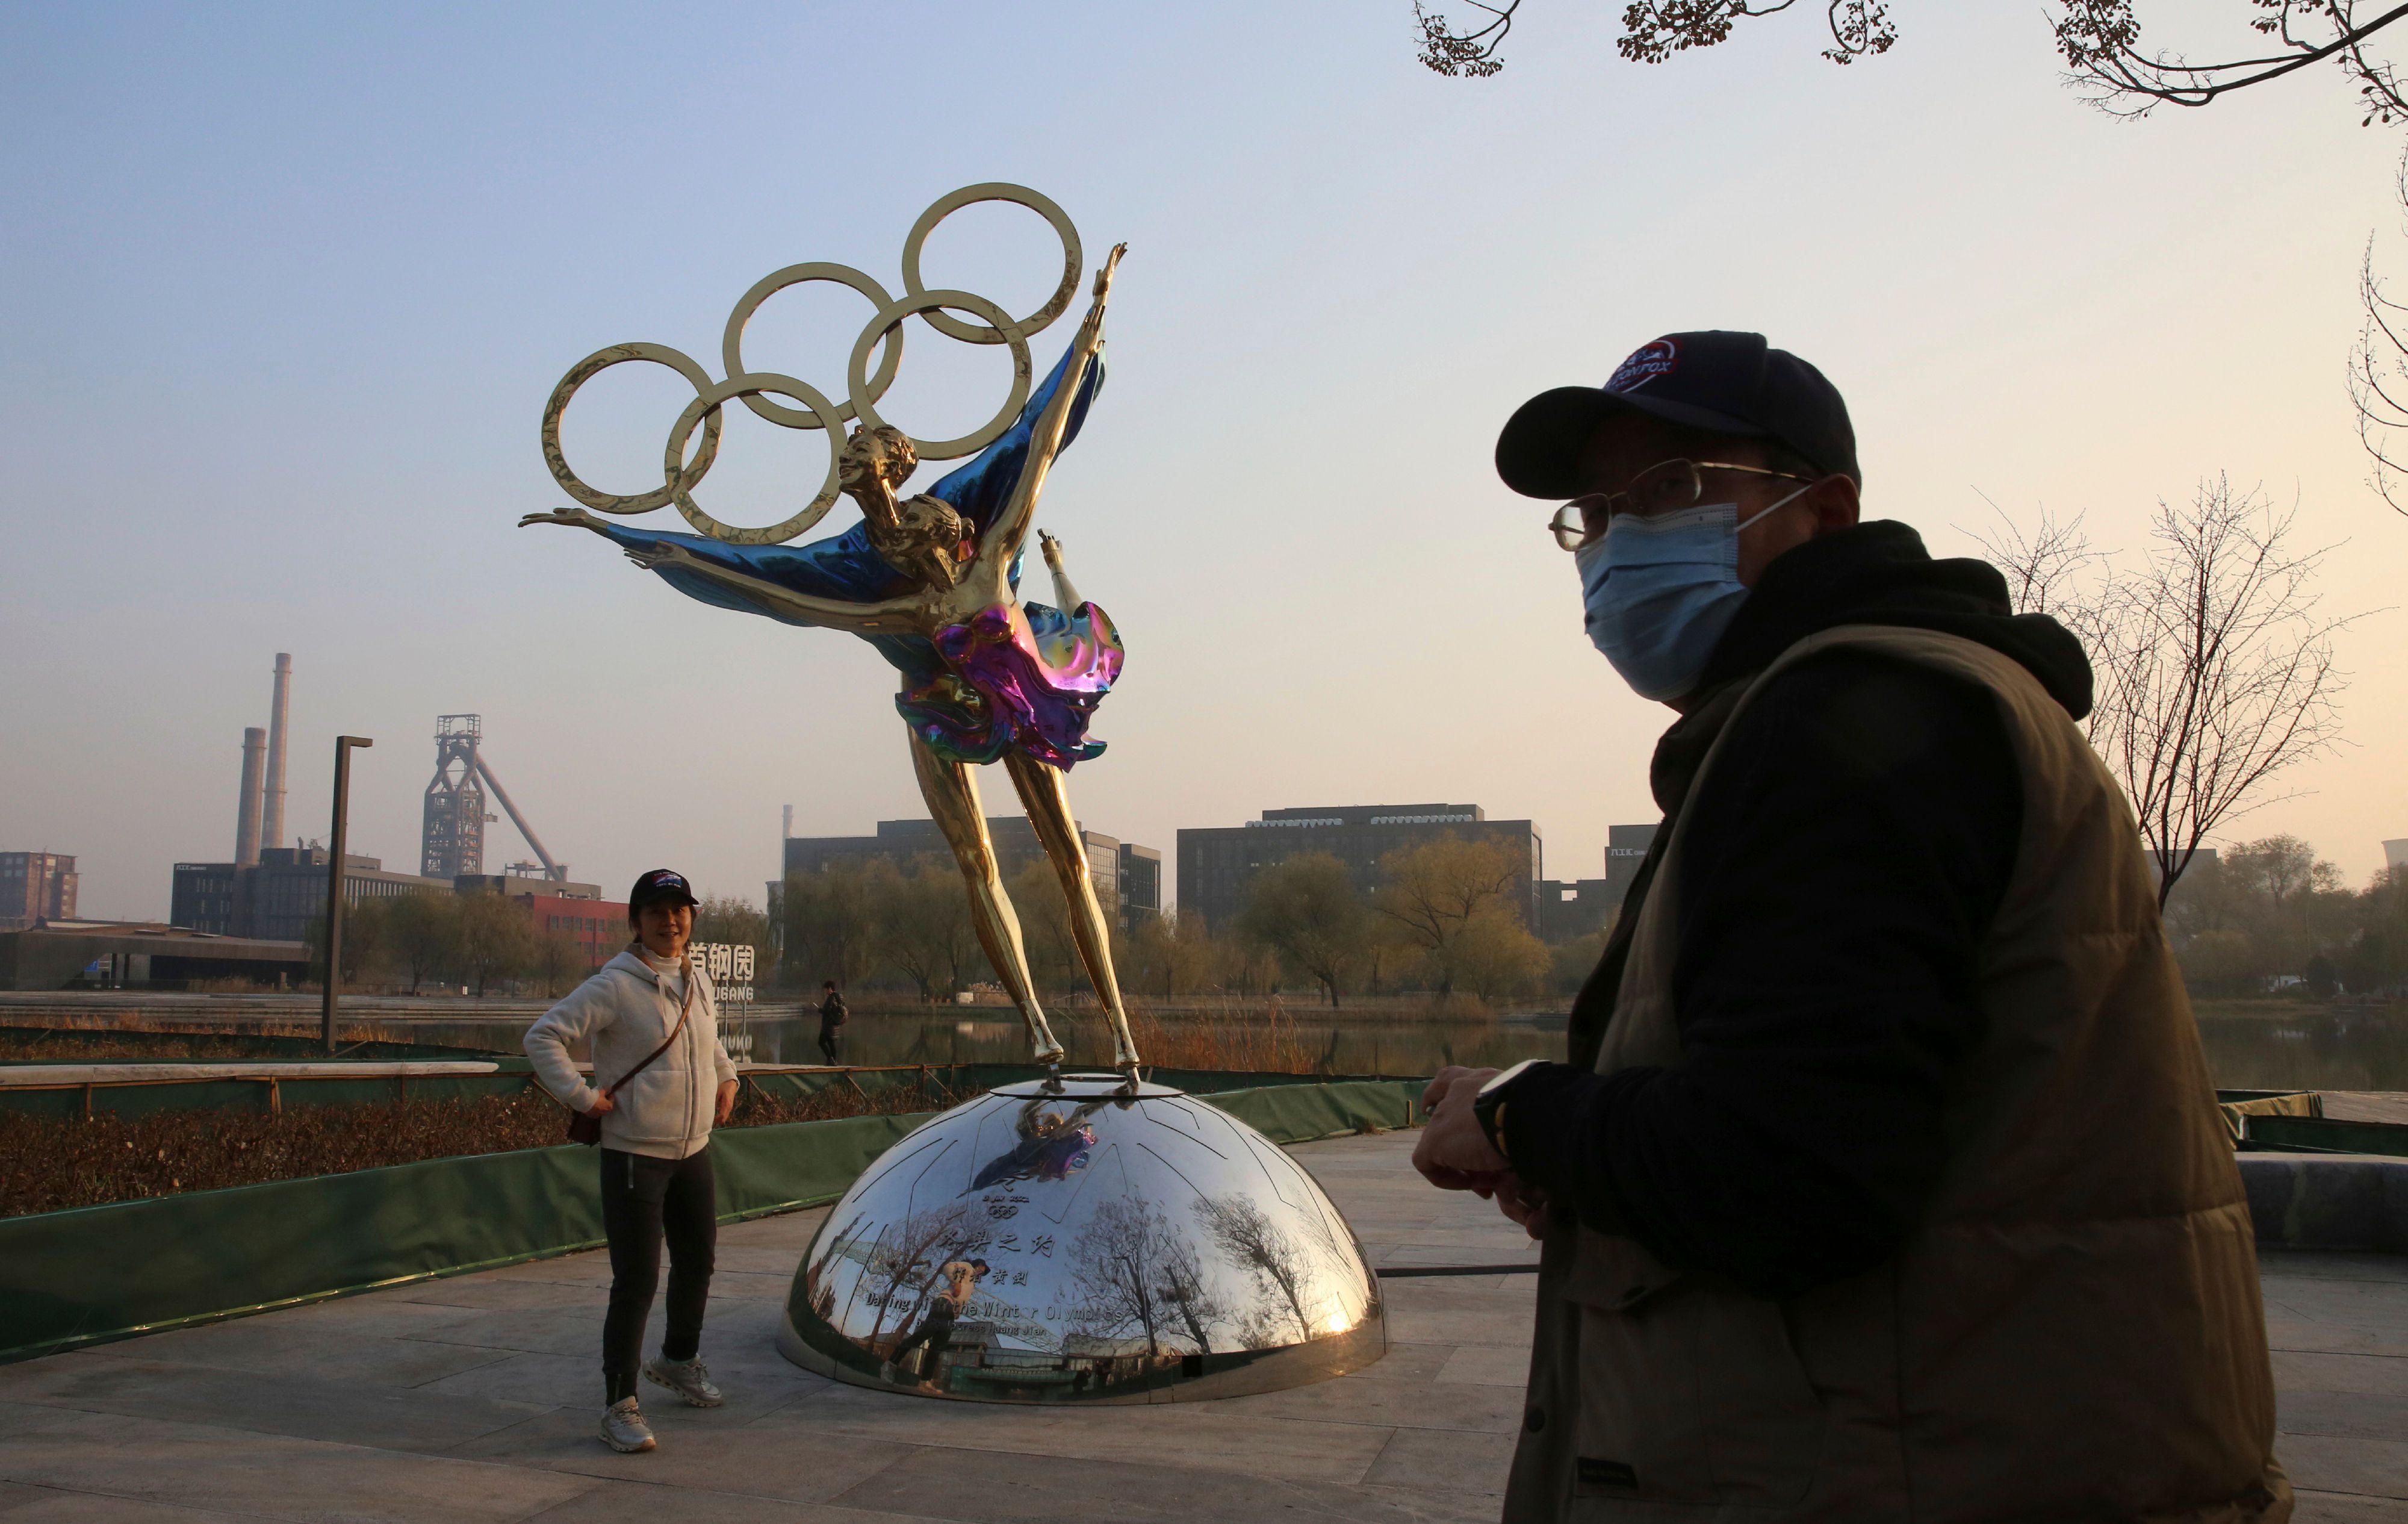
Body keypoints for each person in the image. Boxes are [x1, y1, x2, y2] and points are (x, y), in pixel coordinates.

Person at [1413, 332, 2286, 1520]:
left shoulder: (1845, 722)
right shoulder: (1897, 701)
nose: (1618, 541)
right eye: (1596, 514)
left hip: (1913, 1465)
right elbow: (1866, 1115)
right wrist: (1587, 1162)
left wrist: (1522, 1110)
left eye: (1670, 488)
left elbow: (1787, 1171)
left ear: (1821, 513)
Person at [525, 869, 740, 1455]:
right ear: (637, 922)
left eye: (679, 910)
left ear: (691, 917)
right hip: (634, 1153)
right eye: (657, 912)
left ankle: (678, 1358)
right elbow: (544, 1036)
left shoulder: (697, 978)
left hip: (693, 1147)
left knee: (696, 1261)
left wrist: (728, 1076)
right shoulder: (615, 985)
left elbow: (710, 1041)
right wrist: (581, 1096)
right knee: (637, 1279)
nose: (671, 921)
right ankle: (619, 1403)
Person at [887, 1257, 988, 1383]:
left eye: (984, 1271)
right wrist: (956, 1282)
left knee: (937, 1347)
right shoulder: (968, 1267)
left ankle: (925, 1381)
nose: (982, 1271)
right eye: (982, 1267)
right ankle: (891, 1364)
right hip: (944, 1304)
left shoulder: (972, 1282)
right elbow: (948, 1267)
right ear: (977, 1264)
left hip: (951, 1313)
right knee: (924, 1334)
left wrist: (956, 1313)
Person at [816, 980, 848, 1065]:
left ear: (830, 989)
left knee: (821, 1042)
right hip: (835, 1024)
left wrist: (820, 1010)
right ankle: (834, 1061)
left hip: (828, 1025)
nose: (826, 991)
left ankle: (831, 1059)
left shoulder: (831, 998)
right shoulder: (840, 997)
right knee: (831, 1043)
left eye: (826, 989)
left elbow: (827, 1011)